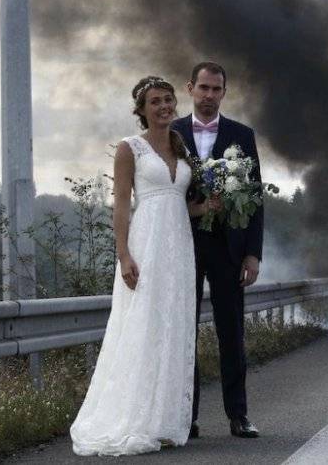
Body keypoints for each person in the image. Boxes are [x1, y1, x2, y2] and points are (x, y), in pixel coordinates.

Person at [70, 76, 215, 456]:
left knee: (173, 327)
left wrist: (210, 205)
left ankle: (163, 420)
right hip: (146, 245)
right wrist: (124, 255)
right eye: (156, 102)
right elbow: (121, 204)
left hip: (179, 248)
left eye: (168, 100)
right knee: (143, 324)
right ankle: (133, 418)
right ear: (142, 109)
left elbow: (177, 202)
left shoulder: (180, 146)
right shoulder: (129, 148)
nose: (164, 106)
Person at [171, 61, 264, 439]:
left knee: (232, 332)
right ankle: (185, 417)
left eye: (216, 89)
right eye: (203, 88)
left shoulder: (242, 135)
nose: (209, 95)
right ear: (190, 88)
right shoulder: (171, 132)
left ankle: (238, 415)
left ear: (224, 92)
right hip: (183, 243)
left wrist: (253, 253)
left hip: (229, 248)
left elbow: (256, 197)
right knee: (183, 332)